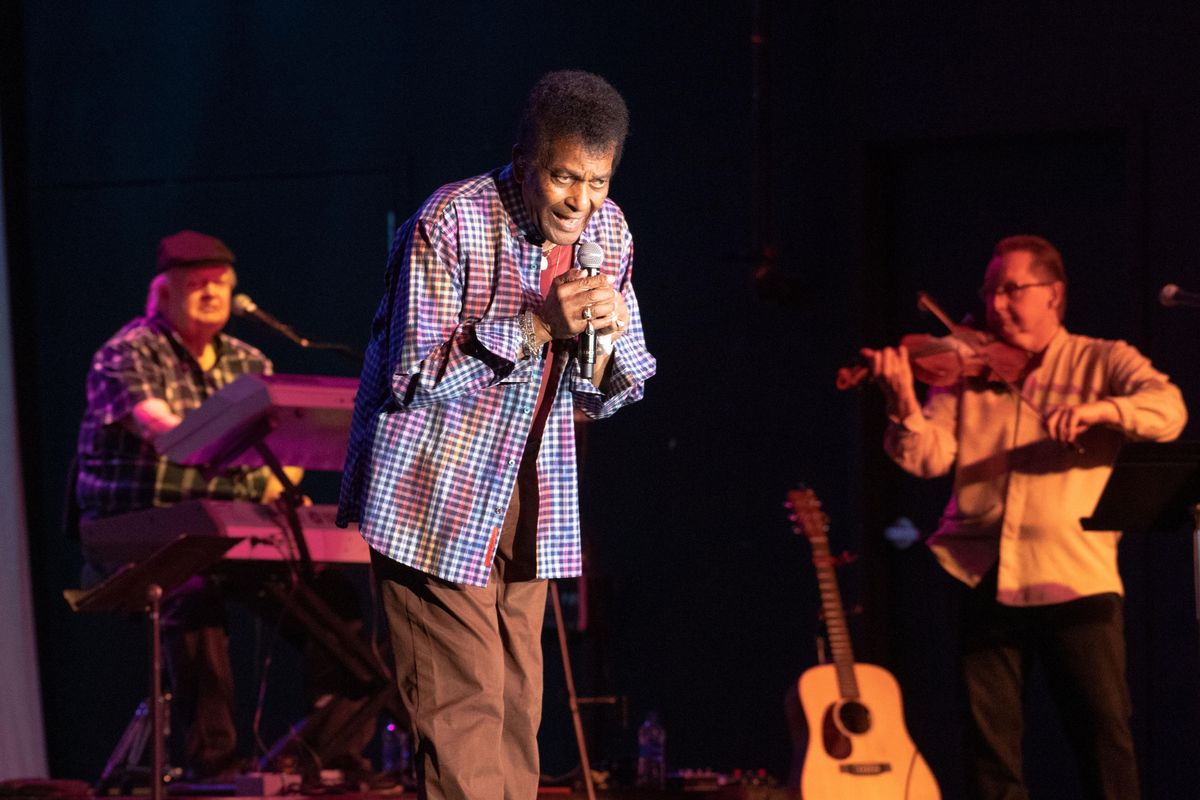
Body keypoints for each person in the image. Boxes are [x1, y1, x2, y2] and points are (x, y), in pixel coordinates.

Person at [338, 69, 655, 798]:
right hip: (433, 494)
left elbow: (617, 387)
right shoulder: (451, 221)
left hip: (532, 492)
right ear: (525, 162)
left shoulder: (609, 231)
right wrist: (539, 323)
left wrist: (601, 342)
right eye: (564, 178)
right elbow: (412, 378)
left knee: (518, 711)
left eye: (599, 181)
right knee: (463, 715)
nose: (581, 202)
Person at [863, 234, 1187, 799]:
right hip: (978, 571)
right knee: (990, 755)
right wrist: (904, 407)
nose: (996, 304)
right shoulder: (971, 369)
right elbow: (929, 457)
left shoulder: (1101, 359)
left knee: (1104, 742)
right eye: (990, 291)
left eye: (1011, 289)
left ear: (1053, 294)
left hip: (1074, 579)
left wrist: (1098, 410)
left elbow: (1169, 410)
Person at [76, 230, 366, 782]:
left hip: (232, 530)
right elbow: (167, 433)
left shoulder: (248, 360)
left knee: (334, 600)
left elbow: (291, 449)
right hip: (143, 530)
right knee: (192, 594)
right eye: (196, 285)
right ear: (162, 294)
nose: (212, 294)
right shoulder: (128, 352)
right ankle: (217, 768)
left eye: (221, 285)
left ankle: (325, 757)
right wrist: (248, 464)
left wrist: (282, 477)